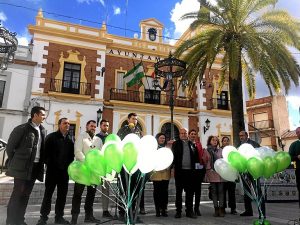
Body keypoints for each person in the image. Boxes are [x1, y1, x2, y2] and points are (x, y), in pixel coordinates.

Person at [6, 106, 46, 225]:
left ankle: (20, 220)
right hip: (21, 168)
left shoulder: (42, 130)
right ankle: (11, 222)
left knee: (26, 195)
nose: (44, 117)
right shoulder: (21, 129)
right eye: (43, 114)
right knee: (17, 194)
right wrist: (17, 161)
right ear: (35, 115)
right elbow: (10, 148)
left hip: (35, 167)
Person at [36, 118, 74, 225]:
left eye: (69, 123)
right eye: (65, 123)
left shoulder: (70, 139)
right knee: (48, 195)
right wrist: (51, 164)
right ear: (59, 125)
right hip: (52, 172)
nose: (67, 125)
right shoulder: (51, 137)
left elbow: (71, 156)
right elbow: (45, 154)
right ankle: (43, 218)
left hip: (64, 173)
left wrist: (67, 166)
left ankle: (59, 218)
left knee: (62, 196)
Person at [70, 120, 102, 224]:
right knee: (77, 194)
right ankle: (74, 217)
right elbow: (78, 151)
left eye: (94, 126)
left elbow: (100, 154)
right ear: (86, 126)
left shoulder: (98, 140)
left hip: (94, 172)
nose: (93, 128)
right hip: (82, 170)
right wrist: (87, 162)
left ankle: (89, 216)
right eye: (91, 126)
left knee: (91, 194)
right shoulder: (81, 137)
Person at [117, 113, 144, 223]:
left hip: (135, 164)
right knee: (124, 188)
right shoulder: (123, 130)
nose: (135, 121)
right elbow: (118, 144)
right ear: (128, 120)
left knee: (134, 189)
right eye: (133, 118)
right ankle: (122, 212)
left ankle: (132, 213)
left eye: (136, 119)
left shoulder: (138, 131)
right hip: (125, 164)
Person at [172, 128, 199, 219]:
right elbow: (173, 157)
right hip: (180, 172)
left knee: (190, 193)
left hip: (190, 173)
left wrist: (197, 171)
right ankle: (178, 211)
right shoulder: (175, 144)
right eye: (182, 133)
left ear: (187, 134)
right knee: (178, 193)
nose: (183, 134)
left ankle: (189, 211)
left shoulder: (192, 144)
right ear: (179, 134)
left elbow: (196, 159)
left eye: (185, 133)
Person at [239, 130, 265, 219]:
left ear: (247, 136)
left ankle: (262, 213)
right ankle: (248, 211)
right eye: (240, 136)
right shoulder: (240, 146)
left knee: (258, 191)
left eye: (242, 135)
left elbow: (261, 154)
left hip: (254, 171)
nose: (241, 137)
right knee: (247, 192)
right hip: (245, 172)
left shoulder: (254, 144)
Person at [96, 119, 113, 218]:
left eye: (107, 125)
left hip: (107, 166)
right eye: (104, 125)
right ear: (100, 126)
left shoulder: (110, 138)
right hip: (97, 166)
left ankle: (105, 210)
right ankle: (88, 212)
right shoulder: (96, 137)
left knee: (106, 189)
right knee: (91, 189)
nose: (106, 127)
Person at [204, 135, 225, 217]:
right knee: (214, 191)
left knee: (221, 191)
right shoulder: (206, 151)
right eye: (213, 140)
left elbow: (224, 160)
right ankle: (216, 209)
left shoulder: (221, 150)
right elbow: (204, 161)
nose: (215, 141)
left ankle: (221, 209)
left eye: (216, 140)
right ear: (210, 141)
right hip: (211, 172)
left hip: (220, 172)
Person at [151, 133, 171, 217]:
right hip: (157, 174)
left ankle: (164, 209)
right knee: (157, 192)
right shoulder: (153, 149)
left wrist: (167, 167)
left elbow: (170, 159)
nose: (162, 139)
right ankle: (157, 209)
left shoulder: (167, 149)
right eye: (161, 138)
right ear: (157, 139)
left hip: (166, 173)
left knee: (164, 192)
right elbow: (151, 160)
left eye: (163, 138)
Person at [188, 129, 206, 216]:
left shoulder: (199, 144)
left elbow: (201, 159)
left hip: (198, 170)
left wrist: (201, 169)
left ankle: (197, 208)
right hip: (190, 172)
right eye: (192, 134)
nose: (193, 135)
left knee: (198, 192)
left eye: (194, 134)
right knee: (190, 192)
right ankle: (190, 208)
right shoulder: (187, 144)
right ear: (189, 135)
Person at [221, 136, 237, 215]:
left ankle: (233, 209)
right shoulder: (220, 150)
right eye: (224, 141)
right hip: (223, 175)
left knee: (232, 193)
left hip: (231, 175)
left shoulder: (232, 151)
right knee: (222, 193)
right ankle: (223, 208)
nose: (226, 142)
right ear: (222, 142)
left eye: (227, 141)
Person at [289, 127, 300, 208]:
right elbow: (290, 158)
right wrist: (297, 157)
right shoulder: (294, 145)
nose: (299, 133)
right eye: (297, 132)